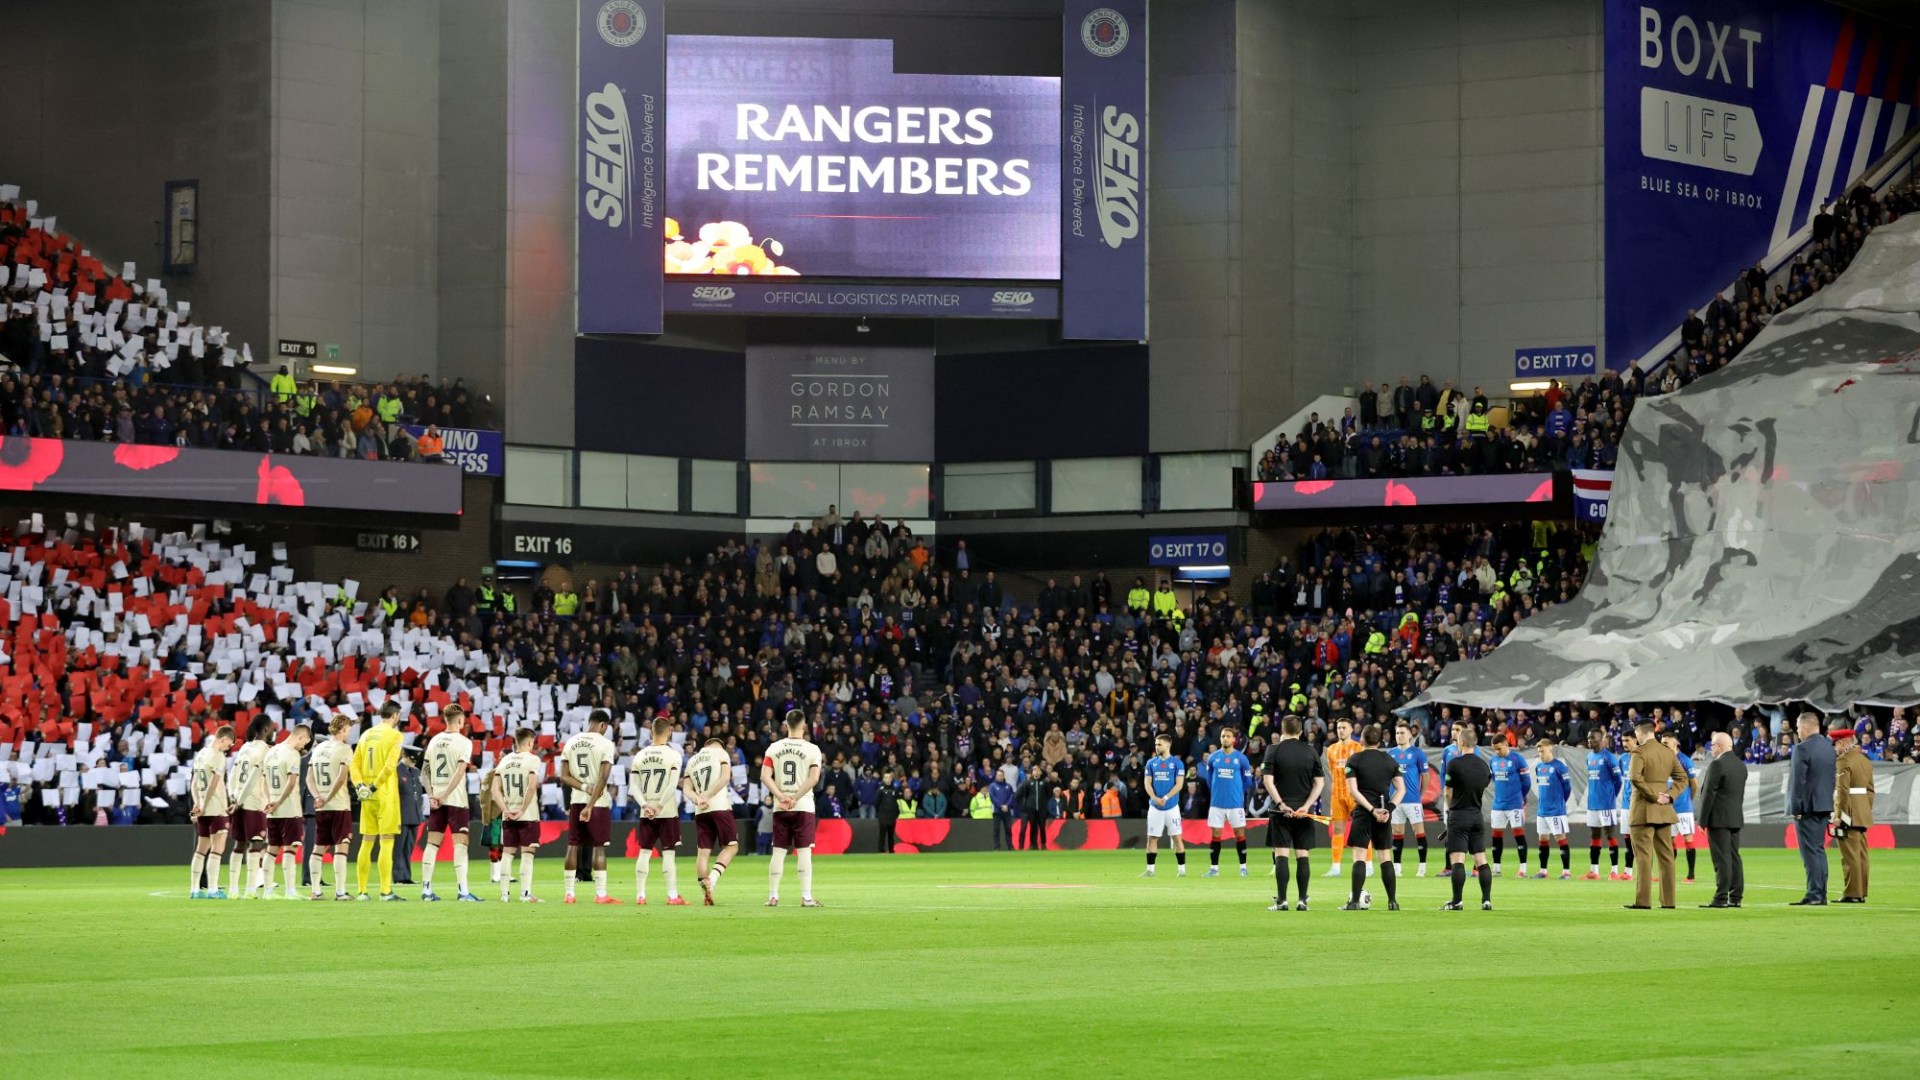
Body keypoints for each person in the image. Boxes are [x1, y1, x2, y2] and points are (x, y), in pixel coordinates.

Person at [1260, 715, 1325, 911]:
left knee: (1281, 854)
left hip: (1281, 811)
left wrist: (1280, 804)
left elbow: (1267, 781)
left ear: (1282, 729)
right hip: (1303, 812)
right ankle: (1302, 900)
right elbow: (1319, 783)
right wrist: (1306, 806)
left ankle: (1282, 901)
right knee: (1302, 855)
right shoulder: (1311, 751)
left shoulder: (1273, 749)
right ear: (1300, 731)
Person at [1623, 720, 1689, 910]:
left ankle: (1643, 901)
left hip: (1643, 809)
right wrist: (1669, 796)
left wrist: (1653, 796)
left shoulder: (1639, 752)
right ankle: (1668, 901)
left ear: (1639, 732)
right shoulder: (1667, 752)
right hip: (1664, 811)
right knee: (1667, 857)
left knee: (1644, 857)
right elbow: (1682, 778)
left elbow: (1635, 778)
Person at [762, 709, 824, 907]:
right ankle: (806, 897)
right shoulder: (813, 749)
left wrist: (781, 796)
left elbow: (765, 776)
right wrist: (795, 797)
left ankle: (773, 895)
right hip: (803, 805)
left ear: (785, 725)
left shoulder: (773, 748)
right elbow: (814, 778)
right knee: (804, 851)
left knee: (778, 851)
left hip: (781, 807)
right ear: (804, 726)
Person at [1339, 724, 1404, 911]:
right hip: (1384, 813)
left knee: (1359, 856)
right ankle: (1392, 902)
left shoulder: (1355, 760)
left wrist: (1371, 809)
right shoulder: (1389, 760)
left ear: (1362, 740)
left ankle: (1353, 902)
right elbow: (1401, 789)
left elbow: (1353, 790)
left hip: (1364, 813)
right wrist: (1388, 809)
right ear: (1380, 741)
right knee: (1385, 856)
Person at [420, 707, 480, 902]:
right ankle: (463, 892)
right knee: (460, 845)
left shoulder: (434, 741)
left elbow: (424, 773)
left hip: (436, 800)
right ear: (460, 720)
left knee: (432, 844)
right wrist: (445, 795)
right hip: (455, 800)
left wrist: (432, 796)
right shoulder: (464, 742)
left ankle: (426, 891)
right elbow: (460, 771)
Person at [559, 710, 619, 904]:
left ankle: (569, 893)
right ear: (602, 725)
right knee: (599, 848)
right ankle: (601, 894)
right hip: (598, 803)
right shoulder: (605, 744)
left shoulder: (571, 742)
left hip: (576, 799)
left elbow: (564, 776)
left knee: (573, 845)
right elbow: (603, 778)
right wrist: (591, 805)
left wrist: (583, 787)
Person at [350, 702, 407, 900]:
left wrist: (360, 787)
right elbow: (390, 766)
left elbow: (354, 764)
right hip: (385, 795)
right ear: (396, 716)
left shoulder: (365, 735)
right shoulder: (395, 735)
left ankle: (362, 891)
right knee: (386, 842)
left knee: (366, 842)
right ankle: (385, 891)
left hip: (367, 796)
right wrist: (374, 786)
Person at [629, 718, 687, 906]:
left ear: (650, 732)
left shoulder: (639, 755)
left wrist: (645, 805)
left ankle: (640, 895)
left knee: (644, 852)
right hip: (666, 811)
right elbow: (672, 784)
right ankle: (672, 896)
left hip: (646, 812)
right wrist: (659, 806)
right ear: (669, 731)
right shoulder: (673, 755)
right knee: (669, 853)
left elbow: (633, 787)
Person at [1441, 724, 1495, 911]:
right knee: (1481, 859)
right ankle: (1486, 900)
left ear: (1461, 742)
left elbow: (1448, 791)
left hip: (1459, 815)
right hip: (1476, 815)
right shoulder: (1484, 765)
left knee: (1458, 860)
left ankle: (1457, 901)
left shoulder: (1454, 764)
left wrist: (1450, 807)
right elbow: (1484, 784)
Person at [490, 728, 546, 902]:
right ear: (530, 742)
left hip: (508, 815)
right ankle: (525, 894)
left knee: (507, 853)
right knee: (528, 853)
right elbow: (531, 787)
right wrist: (522, 809)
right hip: (527, 814)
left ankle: (504, 894)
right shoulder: (533, 759)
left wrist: (505, 809)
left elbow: (494, 790)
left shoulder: (504, 760)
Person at [1786, 712, 1835, 905]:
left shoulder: (1802, 749)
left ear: (1805, 727)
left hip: (1807, 807)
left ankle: (1814, 894)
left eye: (1798, 727)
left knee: (1809, 852)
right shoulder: (1829, 748)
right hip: (1824, 805)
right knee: (1818, 850)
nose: (1797, 731)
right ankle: (1820, 892)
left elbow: (1798, 782)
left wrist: (1796, 807)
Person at [683, 736, 739, 905]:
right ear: (719, 745)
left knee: (703, 852)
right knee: (731, 846)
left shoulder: (692, 760)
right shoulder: (721, 753)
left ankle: (705, 895)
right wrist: (708, 795)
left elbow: (686, 788)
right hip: (719, 805)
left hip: (700, 810)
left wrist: (698, 799)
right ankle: (712, 880)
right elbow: (725, 778)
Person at [304, 715, 354, 901]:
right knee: (342, 847)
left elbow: (309, 777)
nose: (349, 733)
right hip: (338, 805)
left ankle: (316, 891)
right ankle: (340, 892)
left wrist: (318, 797)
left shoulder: (318, 748)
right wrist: (327, 798)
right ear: (342, 730)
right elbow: (341, 779)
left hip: (321, 808)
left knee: (318, 848)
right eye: (348, 729)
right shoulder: (344, 749)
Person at [1696, 731, 1746, 908]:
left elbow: (1708, 794)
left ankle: (1720, 897)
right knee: (1734, 857)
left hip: (1718, 819)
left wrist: (1702, 820)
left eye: (1713, 745)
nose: (1711, 748)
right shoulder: (1741, 765)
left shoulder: (1717, 765)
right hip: (1735, 818)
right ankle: (1736, 896)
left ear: (1719, 746)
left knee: (1721, 859)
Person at [262, 724, 312, 899]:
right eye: (305, 741)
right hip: (289, 809)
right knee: (291, 849)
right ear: (300, 736)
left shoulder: (272, 751)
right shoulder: (292, 754)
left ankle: (268, 890)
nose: (304, 746)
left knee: (271, 849)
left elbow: (264, 780)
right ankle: (290, 890)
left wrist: (270, 801)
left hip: (272, 810)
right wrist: (278, 802)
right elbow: (291, 783)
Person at [187, 725, 236, 899]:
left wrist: (197, 804)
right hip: (216, 808)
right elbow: (214, 784)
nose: (228, 749)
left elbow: (193, 783)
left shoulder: (200, 754)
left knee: (201, 850)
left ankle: (194, 890)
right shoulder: (218, 756)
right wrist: (205, 804)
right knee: (217, 850)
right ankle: (213, 889)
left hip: (203, 809)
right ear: (223, 739)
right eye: (228, 745)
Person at [229, 717, 275, 898]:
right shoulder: (265, 750)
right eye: (271, 728)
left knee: (239, 843)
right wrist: (240, 800)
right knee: (257, 842)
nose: (273, 731)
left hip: (239, 800)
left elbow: (232, 774)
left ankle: (233, 890)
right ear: (265, 729)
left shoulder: (244, 747)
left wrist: (233, 796)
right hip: (254, 802)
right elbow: (254, 776)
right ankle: (250, 889)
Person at [1201, 728, 1254, 877]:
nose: (1225, 738)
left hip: (1235, 804)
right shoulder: (1213, 757)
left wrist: (1237, 792)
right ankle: (1214, 869)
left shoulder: (1241, 758)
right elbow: (1209, 778)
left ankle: (1243, 867)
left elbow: (1248, 781)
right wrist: (1217, 790)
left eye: (1228, 736)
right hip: (1217, 804)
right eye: (1223, 736)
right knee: (1216, 835)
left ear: (1233, 740)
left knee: (1239, 834)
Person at [1831, 726, 1874, 904]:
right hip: (1862, 812)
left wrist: (1839, 814)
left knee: (1849, 856)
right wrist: (1864, 809)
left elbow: (1842, 790)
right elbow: (1871, 790)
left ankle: (1852, 893)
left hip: (1849, 814)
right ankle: (1861, 892)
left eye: (1835, 744)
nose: (1835, 749)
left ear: (1842, 743)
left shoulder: (1843, 761)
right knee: (1862, 855)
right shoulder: (1865, 760)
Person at [1386, 722, 1431, 876]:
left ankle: (1422, 867)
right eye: (1397, 733)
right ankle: (1397, 867)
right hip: (1395, 801)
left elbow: (1425, 776)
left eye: (1402, 733)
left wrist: (1421, 794)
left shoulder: (1418, 753)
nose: (1399, 736)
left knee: (1419, 833)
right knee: (1397, 833)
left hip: (1412, 800)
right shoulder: (1390, 754)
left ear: (1410, 734)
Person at [1140, 735, 1186, 878]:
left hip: (1172, 807)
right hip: (1155, 807)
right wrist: (1154, 798)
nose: (1156, 746)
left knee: (1177, 838)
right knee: (1152, 838)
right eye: (1156, 744)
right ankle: (1150, 870)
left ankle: (1182, 870)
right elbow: (1147, 783)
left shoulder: (1177, 763)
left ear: (1167, 745)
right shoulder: (1151, 763)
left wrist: (1165, 798)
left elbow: (1179, 784)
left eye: (1159, 744)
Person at [1583, 730, 1625, 880]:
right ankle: (1594, 871)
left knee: (1610, 835)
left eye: (1593, 738)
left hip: (1606, 804)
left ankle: (1614, 871)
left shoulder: (1609, 758)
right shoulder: (1589, 757)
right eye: (1588, 738)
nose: (1589, 741)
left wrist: (1610, 795)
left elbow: (1618, 781)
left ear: (1601, 740)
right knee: (1594, 835)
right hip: (1592, 804)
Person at [1531, 738, 1575, 879]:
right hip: (1542, 811)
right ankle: (1543, 871)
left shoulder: (1559, 767)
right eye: (1539, 752)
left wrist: (1560, 802)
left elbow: (1567, 788)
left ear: (1550, 749)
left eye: (1542, 751)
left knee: (1560, 839)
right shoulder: (1539, 767)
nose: (1540, 754)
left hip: (1556, 811)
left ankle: (1566, 872)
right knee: (1542, 840)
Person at [1324, 719, 1363, 876]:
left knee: (1361, 829)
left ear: (1351, 729)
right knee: (1338, 830)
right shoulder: (1331, 749)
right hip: (1337, 794)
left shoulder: (1358, 748)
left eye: (1344, 728)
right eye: (1339, 728)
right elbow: (1332, 771)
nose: (1341, 730)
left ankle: (1366, 865)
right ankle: (1336, 867)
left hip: (1354, 794)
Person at [1488, 739, 1531, 877]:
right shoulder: (1493, 760)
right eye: (1494, 749)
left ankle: (1523, 869)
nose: (1496, 751)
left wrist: (1520, 797)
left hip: (1514, 805)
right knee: (1496, 837)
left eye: (1499, 748)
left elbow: (1527, 783)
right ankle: (1496, 868)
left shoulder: (1518, 759)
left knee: (1518, 835)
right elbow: (1495, 779)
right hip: (1498, 805)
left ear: (1506, 744)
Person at [1662, 734, 1699, 883]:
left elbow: (1694, 784)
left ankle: (1691, 875)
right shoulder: (1663, 760)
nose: (1663, 744)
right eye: (1661, 742)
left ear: (1675, 742)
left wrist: (1688, 799)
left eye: (1666, 742)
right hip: (1668, 807)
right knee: (1669, 840)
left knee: (1687, 838)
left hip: (1683, 807)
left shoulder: (1685, 760)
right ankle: (1668, 873)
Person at [393, 751, 424, 885]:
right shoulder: (395, 770)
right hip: (401, 815)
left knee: (408, 847)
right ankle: (398, 877)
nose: (413, 763)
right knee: (399, 848)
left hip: (414, 814)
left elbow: (418, 793)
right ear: (404, 756)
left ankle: (406, 876)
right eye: (411, 760)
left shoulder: (416, 771)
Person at [876, 772, 902, 853]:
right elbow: (877, 802)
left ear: (891, 779)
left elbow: (898, 800)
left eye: (889, 777)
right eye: (886, 777)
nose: (887, 779)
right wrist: (880, 812)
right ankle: (881, 850)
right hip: (883, 814)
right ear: (883, 779)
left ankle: (891, 850)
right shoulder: (880, 790)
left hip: (892, 814)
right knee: (882, 833)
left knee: (891, 834)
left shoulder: (895, 789)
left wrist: (896, 812)